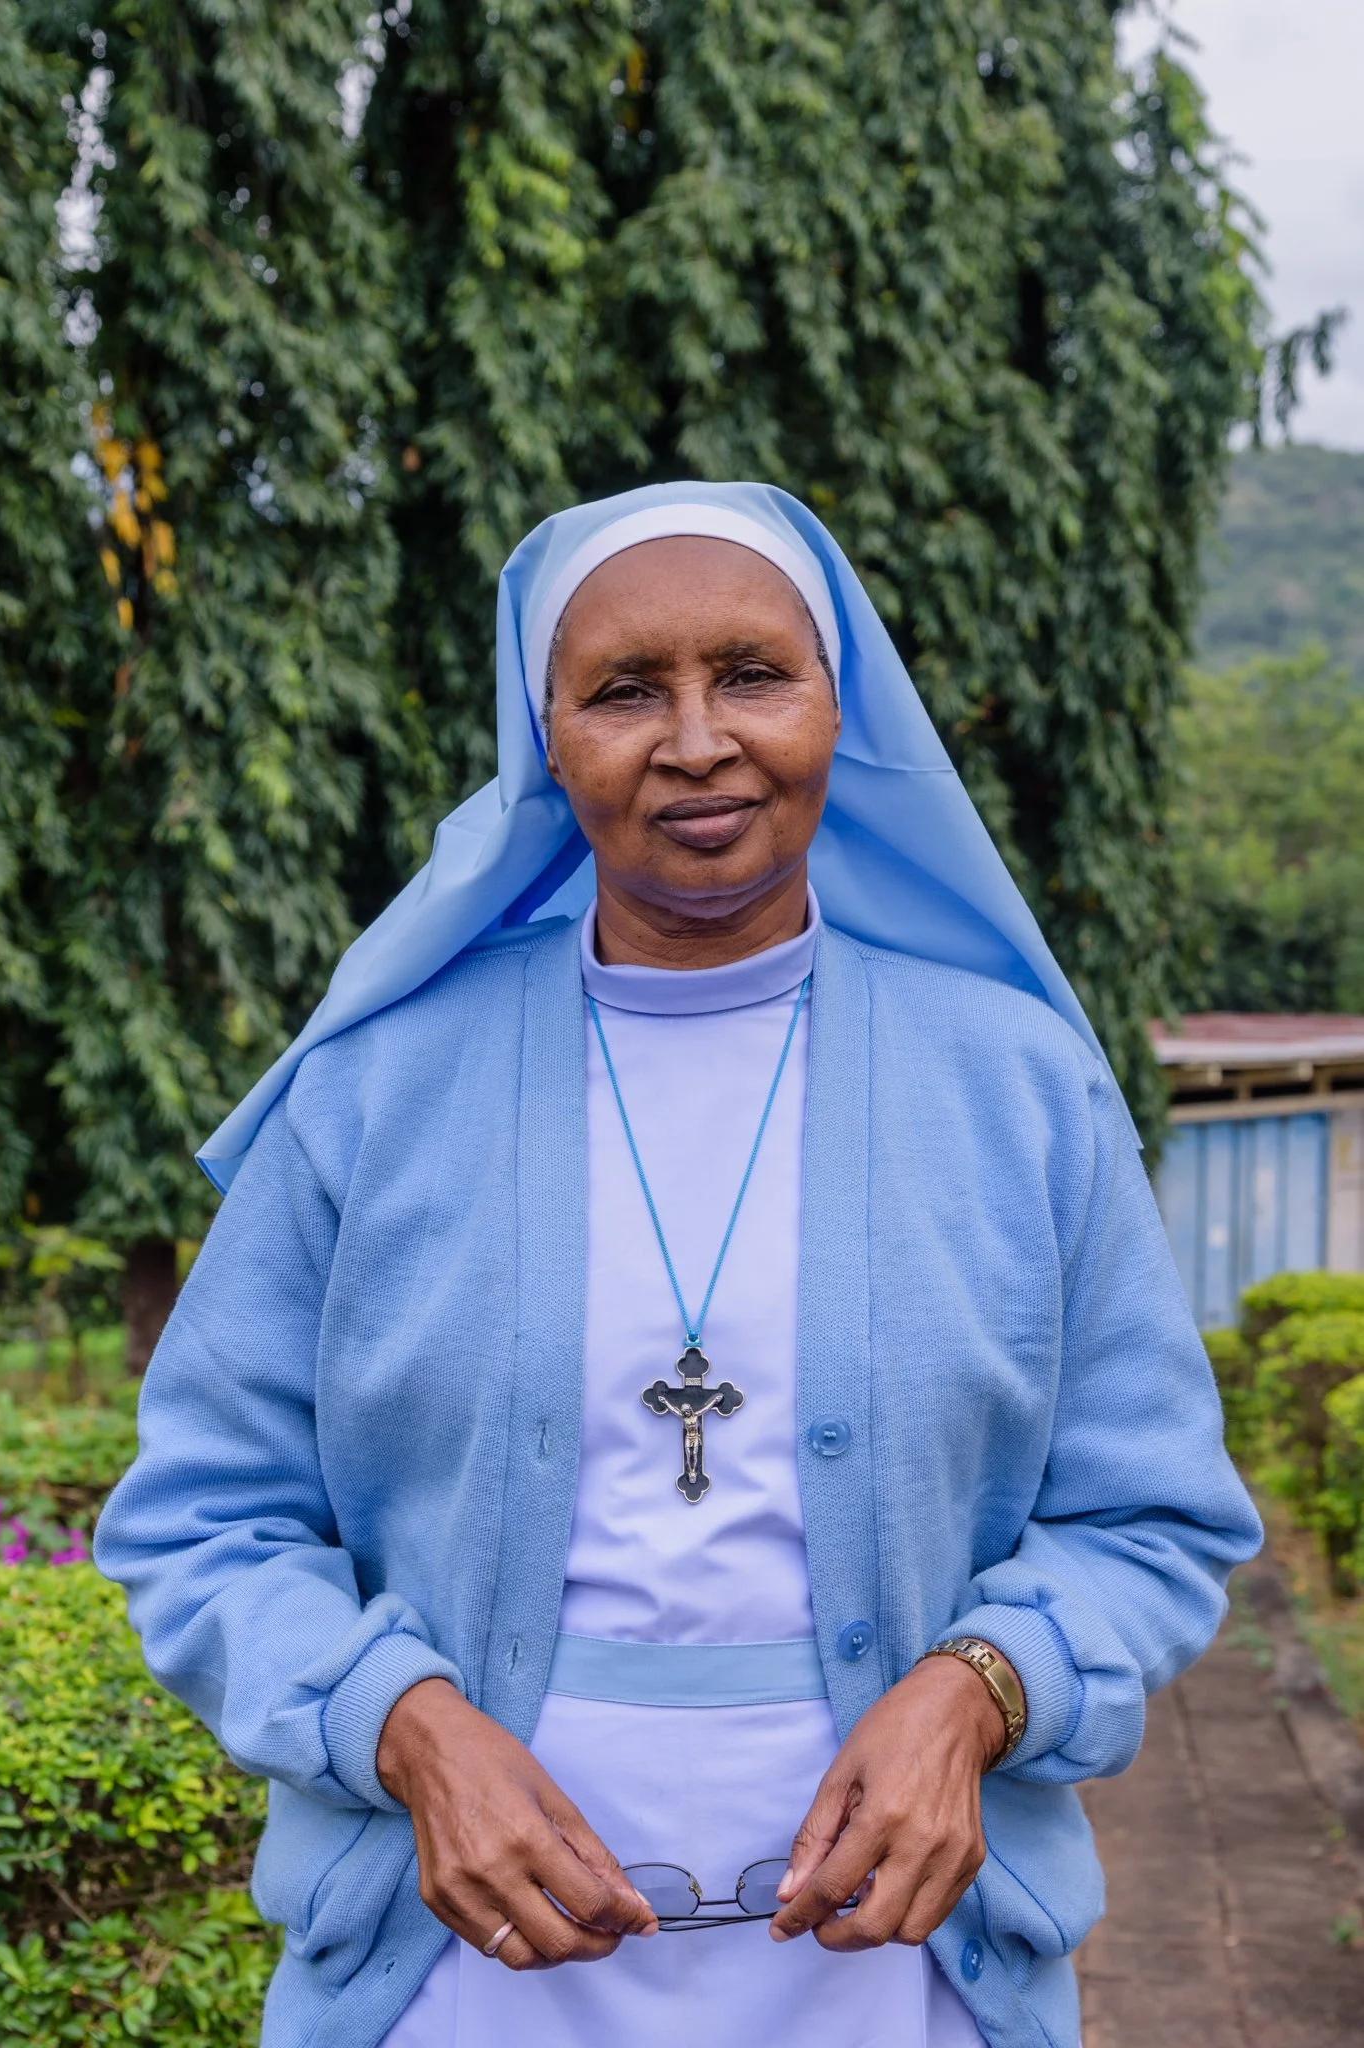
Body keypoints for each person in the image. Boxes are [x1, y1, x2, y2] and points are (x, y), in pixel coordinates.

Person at [95, 482, 1260, 2048]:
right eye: (624, 690)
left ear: (839, 713)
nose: (697, 739)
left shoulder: (1017, 1089)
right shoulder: (371, 1095)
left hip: (899, 1972)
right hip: (464, 1972)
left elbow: (1151, 1516)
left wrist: (981, 1686)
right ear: (542, 735)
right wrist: (407, 1730)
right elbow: (201, 1518)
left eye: (753, 675)